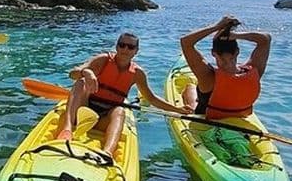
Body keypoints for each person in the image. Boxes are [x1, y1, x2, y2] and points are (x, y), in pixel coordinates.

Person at [56, 32, 191, 157]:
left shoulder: (137, 73)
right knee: (80, 83)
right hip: (81, 113)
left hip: (104, 118)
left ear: (136, 51)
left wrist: (178, 110)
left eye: (131, 47)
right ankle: (67, 128)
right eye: (122, 45)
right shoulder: (103, 60)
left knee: (120, 110)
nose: (125, 49)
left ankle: (107, 153)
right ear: (116, 47)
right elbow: (72, 74)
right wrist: (87, 72)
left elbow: (151, 98)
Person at [179, 15, 271, 119]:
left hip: (208, 119)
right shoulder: (255, 70)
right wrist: (235, 35)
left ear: (213, 53)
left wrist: (216, 26)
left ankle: (191, 104)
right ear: (237, 51)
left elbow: (185, 42)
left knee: (189, 87)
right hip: (240, 116)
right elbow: (265, 39)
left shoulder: (208, 76)